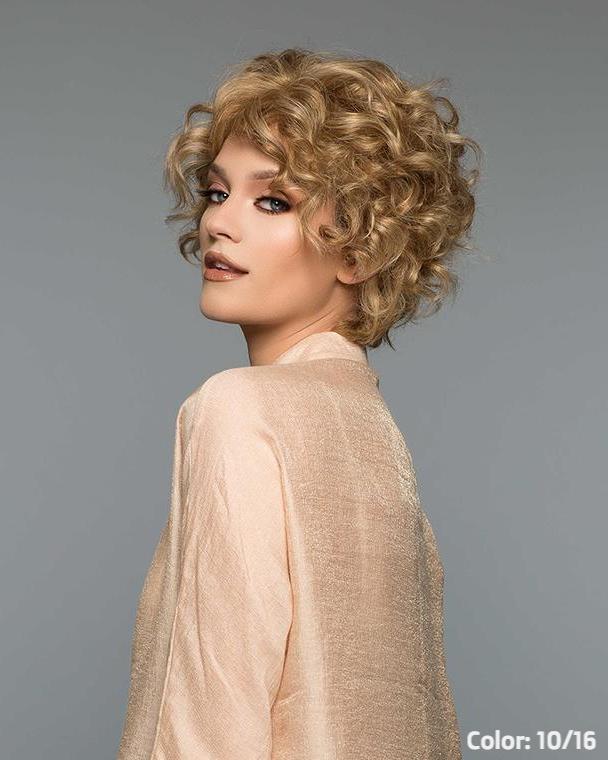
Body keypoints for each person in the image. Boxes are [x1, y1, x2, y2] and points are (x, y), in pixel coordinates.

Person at [116, 47, 482, 760]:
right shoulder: (377, 440)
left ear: (360, 251)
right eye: (217, 192)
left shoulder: (239, 410)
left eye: (273, 201)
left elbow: (208, 720)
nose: (220, 224)